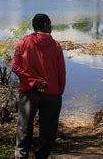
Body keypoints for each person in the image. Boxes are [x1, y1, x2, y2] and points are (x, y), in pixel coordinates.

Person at [12, 13, 66, 159]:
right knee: (48, 133)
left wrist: (33, 81)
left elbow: (15, 67)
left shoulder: (23, 43)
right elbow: (61, 71)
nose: (52, 27)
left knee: (24, 130)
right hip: (52, 93)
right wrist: (59, 91)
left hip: (29, 93)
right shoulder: (56, 46)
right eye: (50, 24)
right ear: (45, 25)